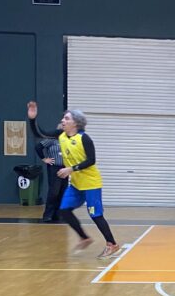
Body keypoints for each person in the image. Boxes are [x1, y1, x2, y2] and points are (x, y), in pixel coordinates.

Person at [34, 103, 122, 259]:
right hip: (76, 183)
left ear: (75, 123)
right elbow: (40, 133)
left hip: (91, 183)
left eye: (67, 118)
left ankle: (112, 244)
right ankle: (84, 237)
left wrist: (71, 169)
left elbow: (91, 160)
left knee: (95, 215)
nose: (63, 120)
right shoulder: (61, 135)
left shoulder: (84, 139)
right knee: (64, 210)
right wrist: (32, 119)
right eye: (63, 118)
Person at [26, 101, 67, 223]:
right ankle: (48, 215)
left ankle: (58, 214)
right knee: (54, 192)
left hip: (65, 168)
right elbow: (38, 145)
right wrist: (44, 159)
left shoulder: (69, 140)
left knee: (62, 192)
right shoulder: (52, 139)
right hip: (54, 167)